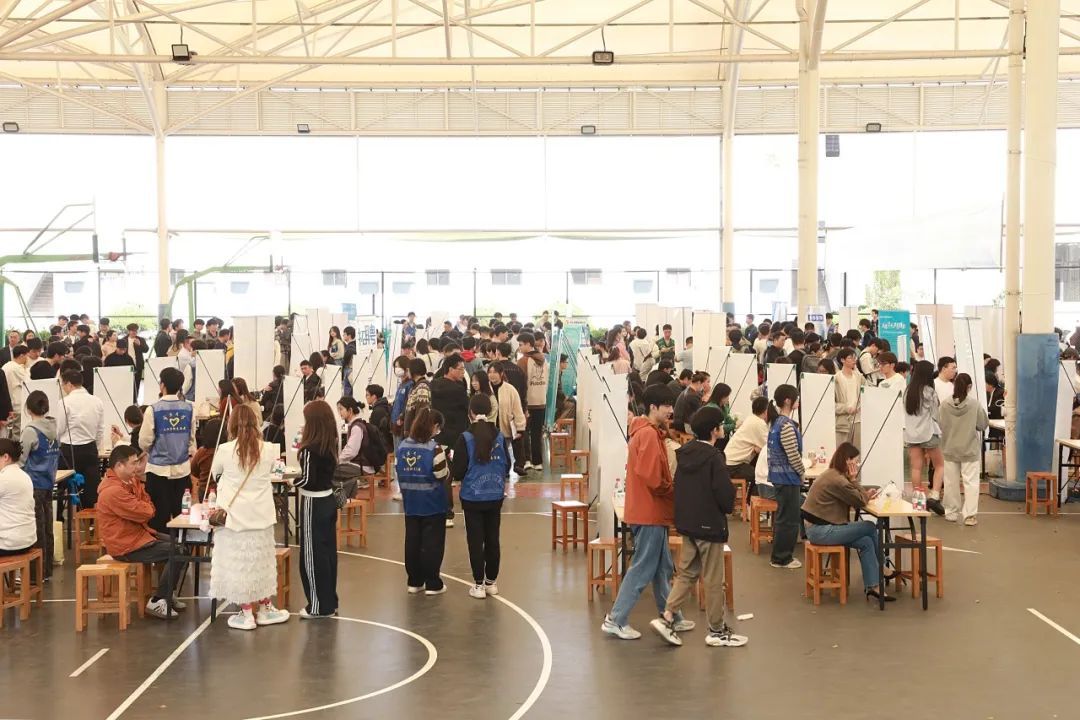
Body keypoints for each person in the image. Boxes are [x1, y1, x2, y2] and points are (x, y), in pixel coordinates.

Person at [602, 385, 694, 640]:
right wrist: (673, 490)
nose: (671, 410)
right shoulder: (649, 435)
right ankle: (616, 618)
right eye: (666, 406)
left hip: (651, 510)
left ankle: (671, 615)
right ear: (653, 407)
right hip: (650, 511)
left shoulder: (646, 433)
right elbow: (654, 478)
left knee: (662, 566)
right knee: (643, 567)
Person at [651, 405, 747, 648]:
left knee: (687, 573)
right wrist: (729, 505)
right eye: (720, 425)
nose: (723, 428)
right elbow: (724, 493)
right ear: (714, 430)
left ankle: (667, 615)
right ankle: (716, 629)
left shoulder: (684, 453)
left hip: (688, 523)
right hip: (709, 525)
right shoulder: (714, 457)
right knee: (713, 579)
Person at [210, 404, 290, 630]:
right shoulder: (269, 449)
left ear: (231, 424)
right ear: (256, 423)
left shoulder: (225, 450)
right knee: (261, 564)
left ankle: (246, 614)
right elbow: (276, 472)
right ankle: (265, 608)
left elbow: (216, 474)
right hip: (261, 515)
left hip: (234, 518)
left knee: (239, 566)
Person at [97, 444, 187, 618]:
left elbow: (148, 504)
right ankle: (158, 600)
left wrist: (144, 506)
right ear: (119, 466)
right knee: (178, 551)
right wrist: (144, 507)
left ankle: (167, 593)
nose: (137, 467)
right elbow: (145, 512)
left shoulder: (131, 482)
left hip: (138, 536)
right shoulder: (113, 491)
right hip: (126, 545)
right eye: (133, 463)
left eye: (138, 462)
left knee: (181, 546)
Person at [801, 443, 894, 602]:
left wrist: (862, 493)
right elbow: (859, 501)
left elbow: (857, 497)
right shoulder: (839, 480)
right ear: (847, 460)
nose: (857, 465)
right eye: (855, 461)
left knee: (866, 542)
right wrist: (854, 480)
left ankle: (873, 586)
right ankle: (883, 567)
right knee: (870, 526)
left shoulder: (833, 474)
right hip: (821, 531)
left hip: (818, 527)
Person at [452, 394, 510, 599]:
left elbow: (458, 471)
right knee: (493, 539)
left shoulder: (465, 438)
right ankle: (491, 583)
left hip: (472, 497)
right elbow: (508, 465)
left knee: (475, 541)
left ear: (470, 413)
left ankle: (478, 585)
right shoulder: (500, 436)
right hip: (495, 494)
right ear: (491, 411)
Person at [397, 407, 450, 595]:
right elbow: (442, 475)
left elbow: (398, 471)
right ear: (433, 426)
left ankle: (414, 581)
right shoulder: (434, 449)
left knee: (412, 542)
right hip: (433, 504)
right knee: (432, 544)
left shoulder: (402, 446)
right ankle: (433, 583)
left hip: (411, 503)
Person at [294, 401, 340, 618]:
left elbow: (307, 480)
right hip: (328, 500)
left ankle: (318, 606)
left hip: (313, 504)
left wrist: (291, 481)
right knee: (327, 553)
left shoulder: (309, 450)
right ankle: (329, 600)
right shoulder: (330, 444)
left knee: (311, 556)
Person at [139, 367, 196, 531]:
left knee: (158, 516)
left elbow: (144, 441)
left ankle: (162, 546)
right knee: (182, 515)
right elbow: (191, 439)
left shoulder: (153, 409)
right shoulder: (189, 409)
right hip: (182, 470)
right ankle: (180, 545)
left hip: (158, 471)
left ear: (162, 385)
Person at [939, 373, 988, 526]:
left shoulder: (944, 405)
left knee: (951, 483)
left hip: (949, 448)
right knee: (971, 483)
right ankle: (970, 516)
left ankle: (951, 512)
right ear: (969, 387)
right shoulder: (974, 404)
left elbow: (940, 424)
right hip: (969, 449)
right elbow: (982, 424)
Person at [54, 368, 108, 508]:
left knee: (65, 487)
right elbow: (100, 429)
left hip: (69, 450)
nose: (63, 388)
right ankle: (89, 518)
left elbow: (59, 429)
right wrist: (96, 447)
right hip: (90, 448)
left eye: (63, 385)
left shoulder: (64, 402)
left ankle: (62, 516)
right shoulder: (96, 401)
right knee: (90, 487)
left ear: (69, 384)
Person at [18, 391, 58, 576]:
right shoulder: (54, 429)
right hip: (49, 482)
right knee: (47, 527)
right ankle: (47, 570)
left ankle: (36, 574)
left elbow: (20, 459)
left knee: (35, 529)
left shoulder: (30, 431)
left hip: (33, 484)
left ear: (28, 409)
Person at [766, 384, 804, 570]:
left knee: (783, 518)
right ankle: (782, 558)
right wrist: (802, 471)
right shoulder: (786, 425)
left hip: (778, 476)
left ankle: (779, 556)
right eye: (796, 397)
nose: (798, 401)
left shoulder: (776, 423)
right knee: (789, 520)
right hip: (788, 477)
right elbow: (793, 454)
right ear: (788, 400)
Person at [904, 360, 946, 516]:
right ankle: (934, 496)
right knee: (940, 465)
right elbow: (936, 414)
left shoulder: (908, 391)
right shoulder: (929, 392)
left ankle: (918, 502)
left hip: (912, 434)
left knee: (916, 468)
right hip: (928, 433)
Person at [489, 362, 527, 476]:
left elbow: (517, 409)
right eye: (490, 372)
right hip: (490, 428)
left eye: (495, 372)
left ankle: (518, 465)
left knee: (512, 445)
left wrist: (520, 427)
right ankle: (502, 469)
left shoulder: (510, 389)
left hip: (506, 426)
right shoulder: (486, 389)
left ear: (501, 374)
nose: (492, 375)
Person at [0, 439, 36, 559]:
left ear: (6, 457)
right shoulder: (24, 475)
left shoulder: (4, 478)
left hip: (9, 544)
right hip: (28, 540)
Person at [724, 396, 769, 492]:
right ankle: (753, 499)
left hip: (728, 462)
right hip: (734, 466)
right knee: (761, 476)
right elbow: (769, 447)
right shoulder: (759, 423)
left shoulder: (751, 419)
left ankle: (750, 498)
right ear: (766, 411)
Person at [523, 347, 549, 472]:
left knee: (524, 432)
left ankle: (527, 460)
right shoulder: (545, 360)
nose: (520, 347)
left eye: (521, 344)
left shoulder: (524, 360)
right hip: (541, 401)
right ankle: (538, 462)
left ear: (528, 344)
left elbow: (522, 383)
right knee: (537, 433)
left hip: (527, 402)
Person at [834, 348, 863, 449]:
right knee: (842, 451)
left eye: (855, 358)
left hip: (858, 419)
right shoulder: (836, 378)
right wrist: (846, 408)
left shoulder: (859, 377)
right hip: (843, 421)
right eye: (850, 358)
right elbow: (831, 404)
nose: (854, 360)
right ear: (842, 360)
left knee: (857, 451)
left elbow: (866, 393)